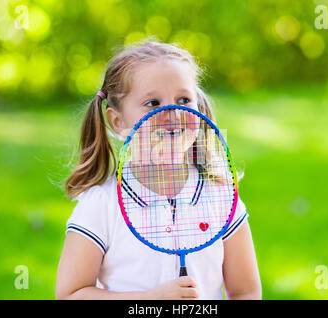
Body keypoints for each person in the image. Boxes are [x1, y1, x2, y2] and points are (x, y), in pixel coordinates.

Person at [56, 41, 262, 300]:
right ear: (118, 121)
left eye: (184, 100)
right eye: (153, 103)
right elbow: (70, 294)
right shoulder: (101, 204)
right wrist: (151, 299)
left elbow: (246, 291)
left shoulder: (222, 197)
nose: (173, 112)